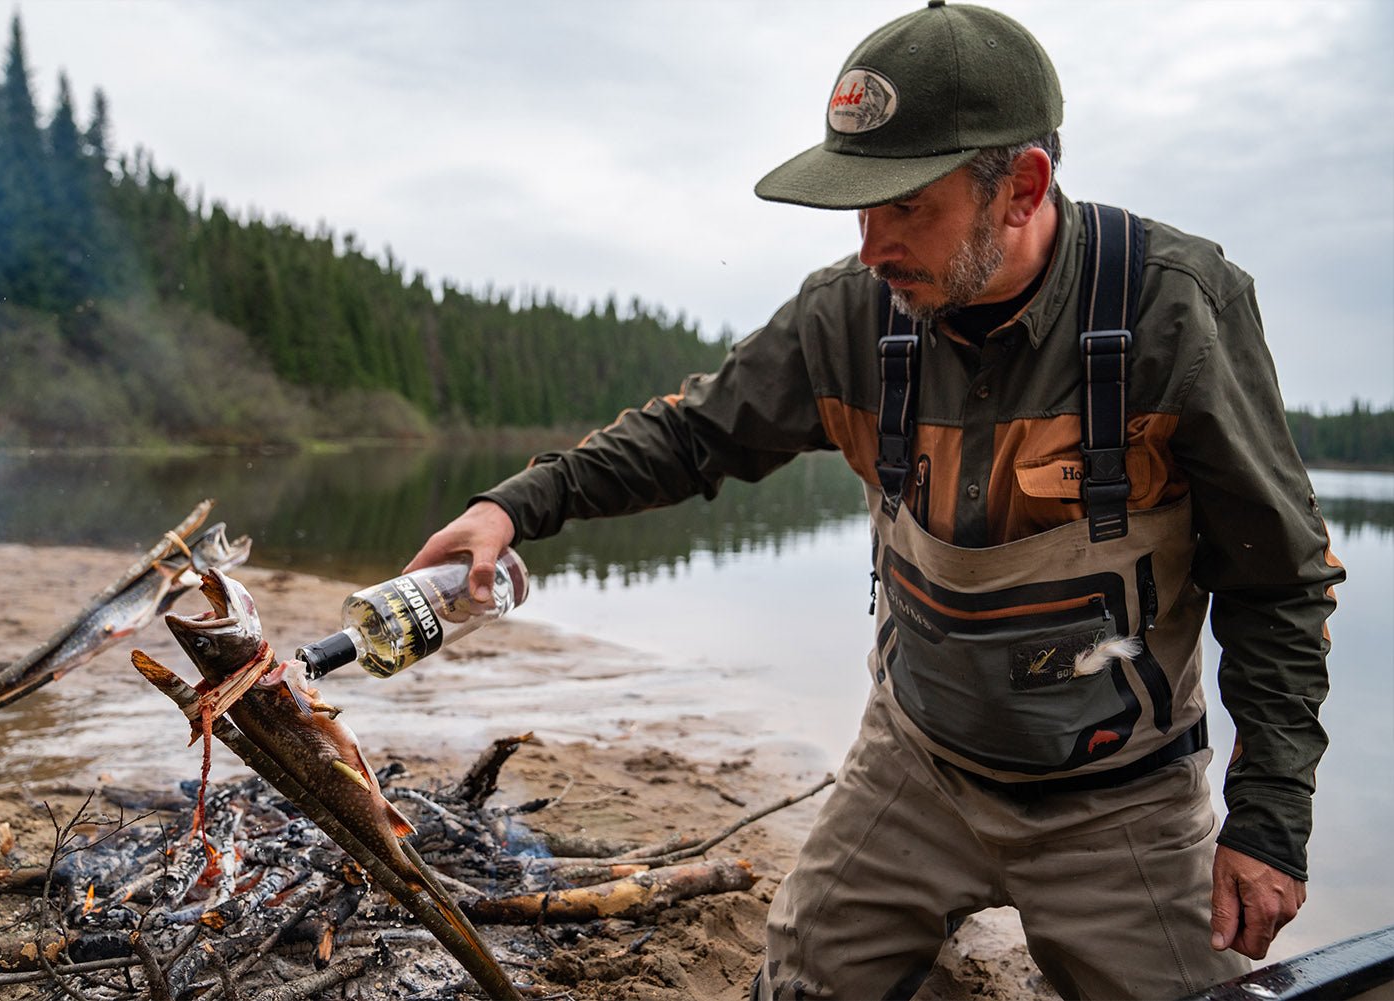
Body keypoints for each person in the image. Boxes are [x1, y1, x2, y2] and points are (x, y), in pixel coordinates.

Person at [404, 2, 1344, 998]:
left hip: (1120, 797)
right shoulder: (851, 313)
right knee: (798, 984)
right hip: (914, 767)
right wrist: (514, 504)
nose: (872, 246)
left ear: (1022, 187)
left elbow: (1281, 585)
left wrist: (1268, 820)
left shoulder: (1174, 311)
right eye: (860, 206)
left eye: (905, 206)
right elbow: (692, 434)